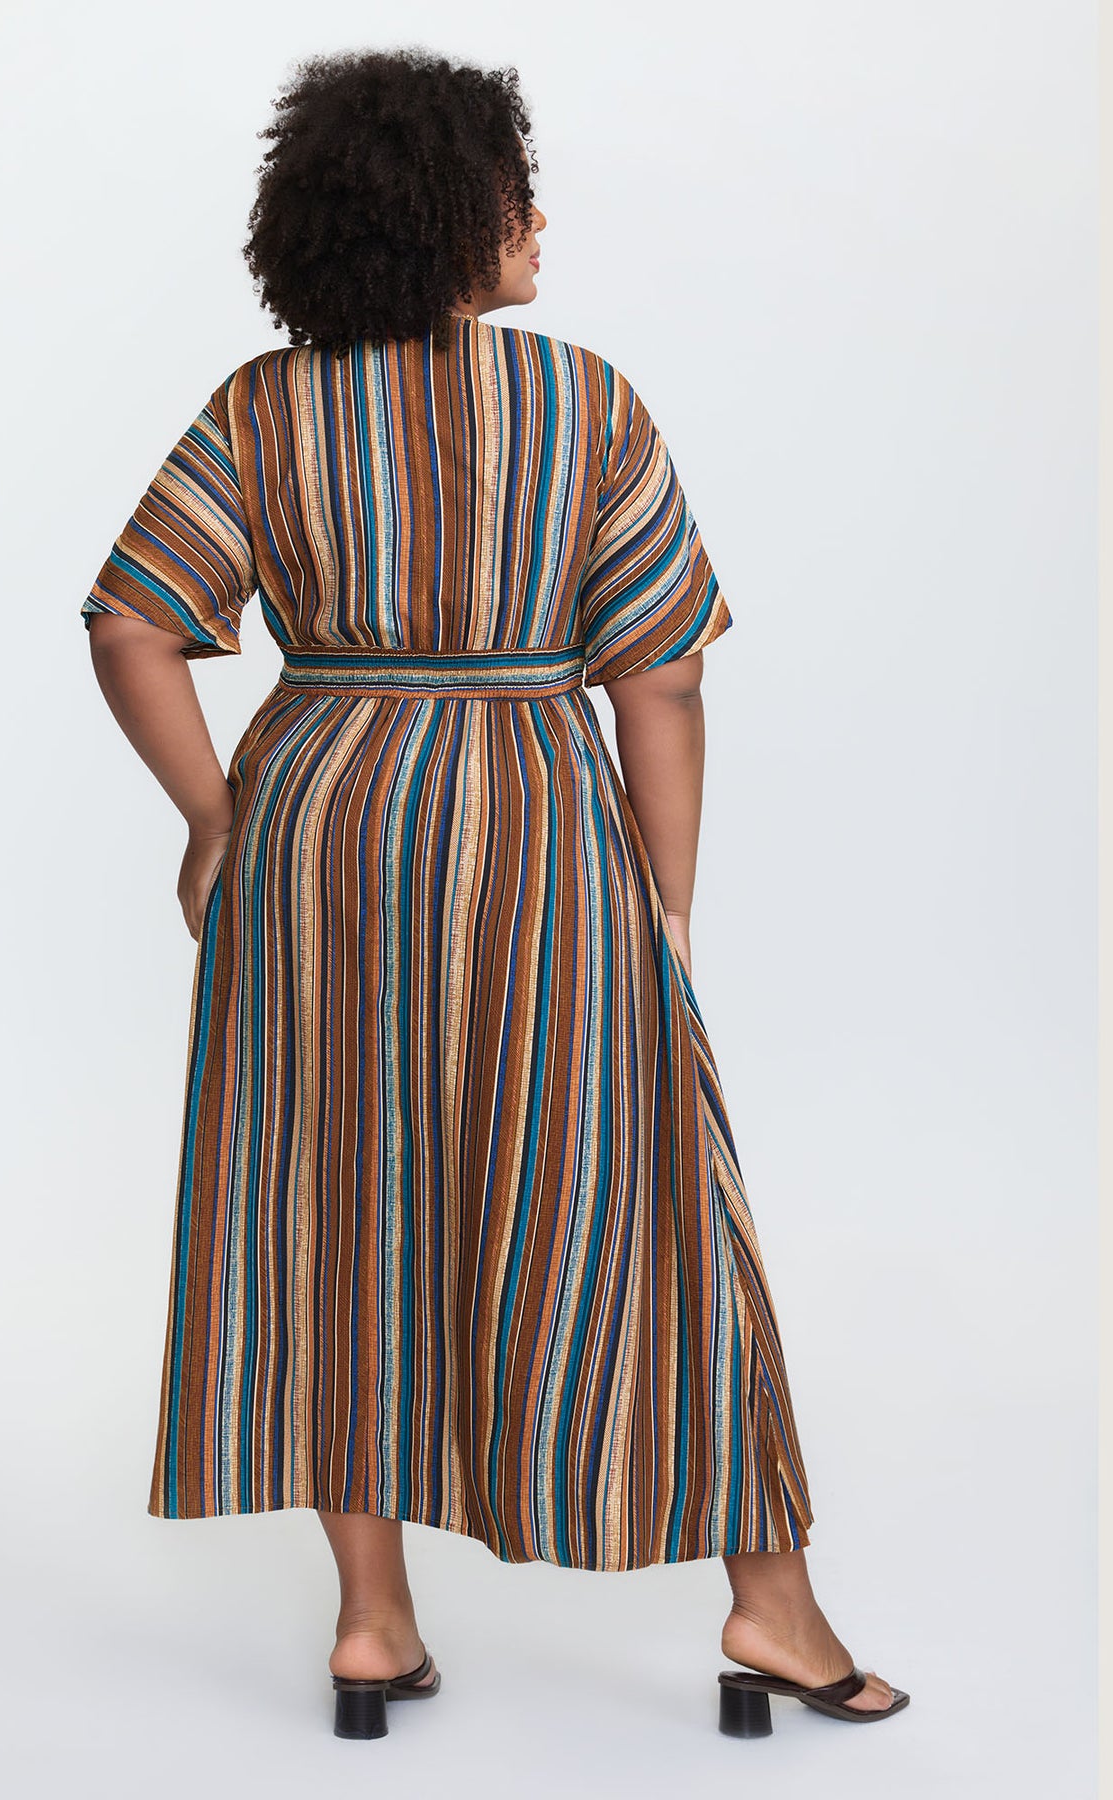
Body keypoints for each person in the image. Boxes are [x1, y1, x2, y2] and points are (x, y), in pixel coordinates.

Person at [79, 47, 909, 1742]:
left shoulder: (264, 406)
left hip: (317, 818)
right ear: (443, 213)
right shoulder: (582, 402)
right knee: (650, 1197)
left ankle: (371, 1622)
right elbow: (661, 675)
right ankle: (769, 1608)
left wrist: (217, 820)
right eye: (514, 193)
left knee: (332, 1200)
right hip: (536, 821)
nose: (539, 222)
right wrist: (663, 907)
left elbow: (131, 623)